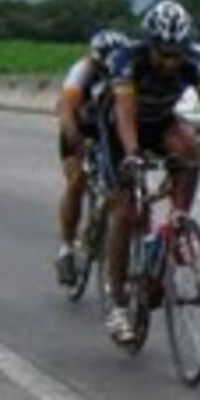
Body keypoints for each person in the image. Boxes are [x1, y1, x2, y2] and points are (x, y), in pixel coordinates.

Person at [103, 0, 200, 343]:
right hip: (121, 129)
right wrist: (133, 154)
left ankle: (177, 223)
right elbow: (124, 113)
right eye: (163, 54)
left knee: (190, 146)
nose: (170, 62)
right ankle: (118, 303)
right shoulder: (128, 60)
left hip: (161, 120)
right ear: (149, 44)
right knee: (125, 212)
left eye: (176, 54)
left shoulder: (193, 62)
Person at [53, 29, 129, 286]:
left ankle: (96, 234)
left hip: (106, 128)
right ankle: (66, 246)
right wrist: (75, 138)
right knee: (77, 180)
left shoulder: (127, 70)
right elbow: (66, 108)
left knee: (121, 186)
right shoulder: (83, 70)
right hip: (80, 125)